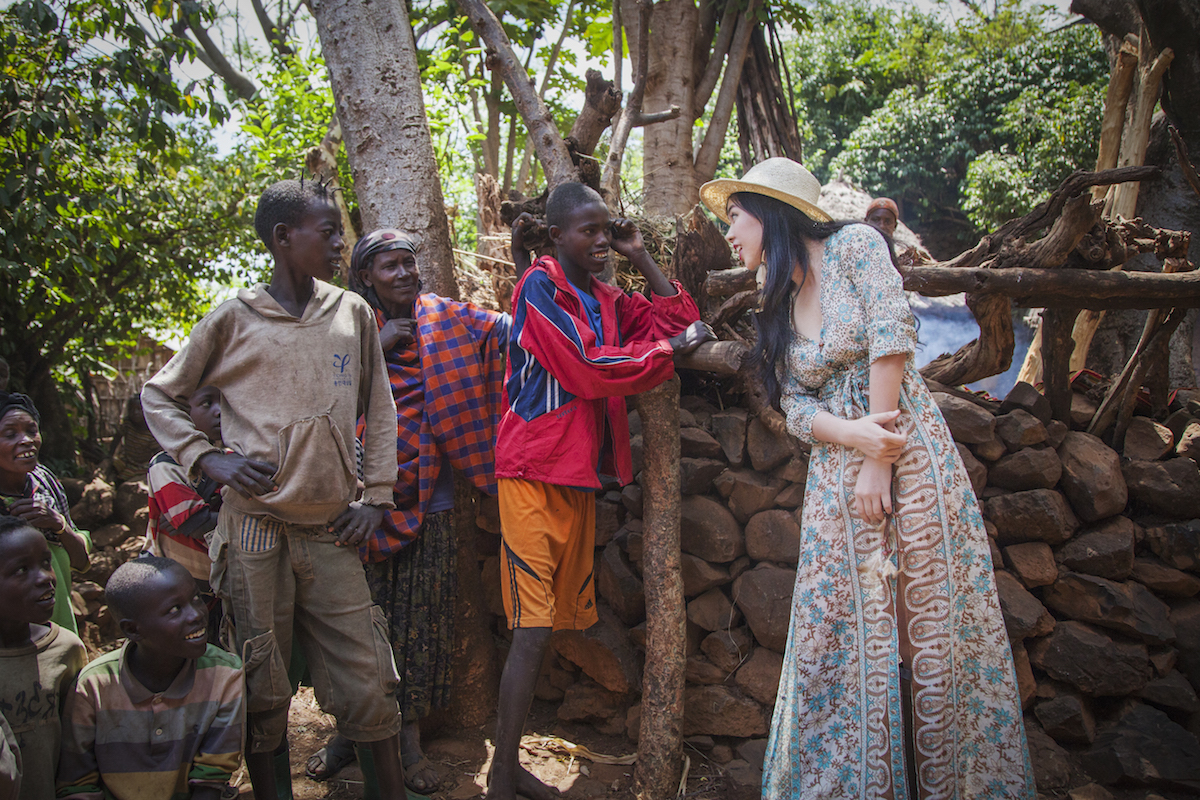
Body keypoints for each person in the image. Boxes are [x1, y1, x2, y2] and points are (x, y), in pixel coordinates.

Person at [700, 158, 1033, 799]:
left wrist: (878, 456)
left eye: (734, 218)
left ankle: (945, 783)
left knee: (927, 628)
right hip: (837, 474)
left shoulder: (855, 248)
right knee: (839, 627)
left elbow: (890, 341)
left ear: (770, 212)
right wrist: (850, 439)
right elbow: (795, 404)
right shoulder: (778, 304)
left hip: (906, 456)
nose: (730, 234)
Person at [140, 178, 408, 800]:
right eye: (328, 231)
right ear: (285, 239)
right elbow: (159, 395)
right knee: (262, 682)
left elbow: (381, 407)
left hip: (333, 527)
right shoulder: (234, 318)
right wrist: (208, 459)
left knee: (369, 674)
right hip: (255, 527)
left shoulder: (352, 312)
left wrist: (378, 497)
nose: (341, 242)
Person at [489, 182, 711, 800]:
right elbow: (589, 369)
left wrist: (640, 256)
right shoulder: (540, 289)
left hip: (576, 474)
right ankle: (501, 777)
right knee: (531, 627)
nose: (599, 240)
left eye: (606, 229)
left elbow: (681, 318)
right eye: (587, 230)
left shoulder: (606, 296)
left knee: (550, 621)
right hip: (532, 471)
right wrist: (667, 351)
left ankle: (507, 770)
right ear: (556, 236)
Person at [305, 230, 510, 792]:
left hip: (433, 501)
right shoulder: (346, 326)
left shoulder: (444, 318)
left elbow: (508, 335)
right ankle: (352, 733)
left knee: (419, 628)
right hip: (355, 505)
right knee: (358, 630)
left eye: (409, 263)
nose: (404, 273)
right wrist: (380, 345)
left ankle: (409, 745)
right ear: (366, 276)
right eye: (389, 266)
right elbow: (318, 392)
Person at [56, 556, 244, 799]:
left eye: (196, 598)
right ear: (133, 630)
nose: (196, 614)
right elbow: (77, 784)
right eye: (174, 609)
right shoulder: (94, 686)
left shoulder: (224, 674)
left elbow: (210, 780)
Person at [0, 515, 87, 800]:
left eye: (46, 563)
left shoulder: (65, 649)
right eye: (22, 570)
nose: (46, 578)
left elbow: (79, 745)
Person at [0, 393, 91, 634]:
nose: (27, 440)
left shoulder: (44, 481)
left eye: (32, 430)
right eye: (10, 434)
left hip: (58, 629)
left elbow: (81, 562)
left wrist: (58, 524)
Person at [144, 386, 226, 640]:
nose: (220, 411)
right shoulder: (166, 465)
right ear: (179, 415)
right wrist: (238, 518)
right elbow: (195, 521)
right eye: (206, 403)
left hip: (215, 584)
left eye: (224, 402)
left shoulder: (230, 460)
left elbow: (192, 520)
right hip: (173, 585)